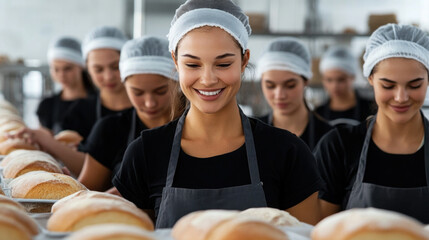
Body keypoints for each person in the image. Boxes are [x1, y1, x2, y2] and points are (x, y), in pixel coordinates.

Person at [113, 0, 322, 228]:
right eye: (193, 65)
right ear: (175, 61)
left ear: (244, 61)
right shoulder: (145, 153)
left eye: (223, 64)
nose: (208, 79)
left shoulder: (287, 153)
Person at [315, 24, 429, 223]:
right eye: (388, 85)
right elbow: (320, 232)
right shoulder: (338, 147)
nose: (401, 97)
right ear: (370, 79)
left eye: (415, 85)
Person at [78, 36, 183, 192]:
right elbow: (85, 193)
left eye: (160, 91)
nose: (150, 103)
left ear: (178, 83)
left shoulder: (197, 125)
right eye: (138, 93)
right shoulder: (110, 130)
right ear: (125, 85)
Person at [257, 37, 332, 151]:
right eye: (270, 86)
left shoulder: (329, 137)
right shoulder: (251, 133)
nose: (280, 95)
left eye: (290, 85)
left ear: (306, 81)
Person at [61, 26, 133, 141]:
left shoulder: (149, 108)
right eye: (98, 70)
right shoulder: (79, 113)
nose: (108, 77)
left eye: (115, 67)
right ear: (87, 69)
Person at [37, 36, 95, 134]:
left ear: (81, 66)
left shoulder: (99, 102)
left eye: (67, 69)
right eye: (56, 69)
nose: (61, 75)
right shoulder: (47, 106)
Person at [315, 46, 376, 126]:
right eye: (329, 80)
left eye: (341, 80)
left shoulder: (370, 108)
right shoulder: (318, 114)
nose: (334, 86)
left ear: (353, 77)